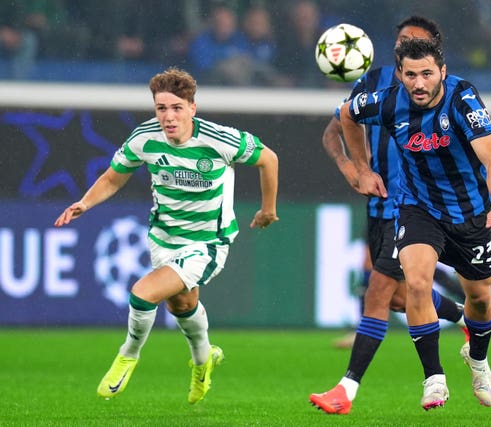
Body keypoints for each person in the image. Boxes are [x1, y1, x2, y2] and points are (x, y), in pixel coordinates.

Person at [53, 67, 279, 404]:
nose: (168, 116)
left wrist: (267, 209)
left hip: (208, 243)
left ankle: (128, 355)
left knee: (143, 294)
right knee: (183, 305)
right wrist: (85, 203)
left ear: (192, 108)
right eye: (161, 108)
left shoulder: (219, 139)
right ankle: (204, 362)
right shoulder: (145, 138)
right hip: (163, 239)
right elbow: (114, 177)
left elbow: (268, 159)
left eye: (176, 108)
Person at [338, 37, 491, 411]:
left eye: (427, 74)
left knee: (479, 299)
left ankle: (478, 359)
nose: (419, 83)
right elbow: (346, 115)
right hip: (419, 208)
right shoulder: (386, 101)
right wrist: (361, 167)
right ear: (399, 74)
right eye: (411, 74)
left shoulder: (463, 100)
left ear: (442, 73)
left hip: (471, 214)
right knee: (416, 282)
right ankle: (434, 378)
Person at [310, 16, 467, 414]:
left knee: (378, 293)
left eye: (418, 48)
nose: (411, 62)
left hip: (414, 207)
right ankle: (465, 318)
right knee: (399, 297)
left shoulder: (447, 95)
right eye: (402, 46)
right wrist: (354, 170)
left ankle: (346, 390)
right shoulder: (371, 84)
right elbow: (333, 132)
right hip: (377, 206)